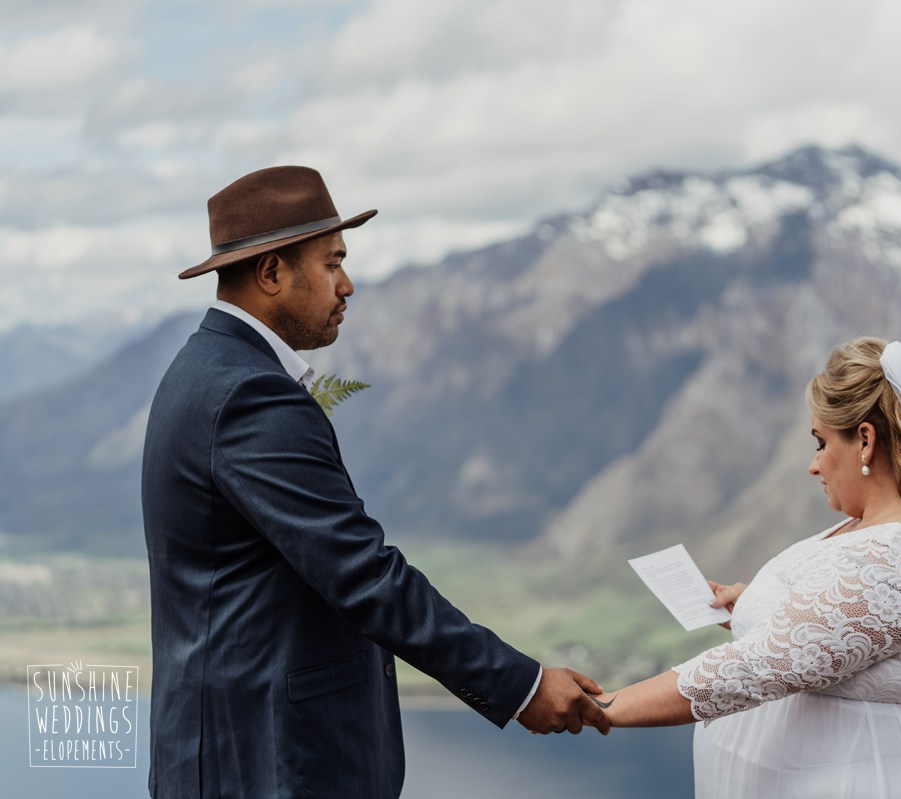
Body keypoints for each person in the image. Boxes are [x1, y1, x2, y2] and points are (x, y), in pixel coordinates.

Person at [141, 165, 608, 799]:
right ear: (272, 272)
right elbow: (363, 574)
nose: (348, 285)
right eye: (332, 264)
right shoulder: (250, 395)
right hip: (270, 764)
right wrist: (521, 685)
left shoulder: (204, 370)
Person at [589, 337, 901, 798]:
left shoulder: (890, 565)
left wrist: (600, 708)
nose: (814, 465)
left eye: (821, 442)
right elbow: (851, 635)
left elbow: (745, 672)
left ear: (865, 440)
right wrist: (756, 607)